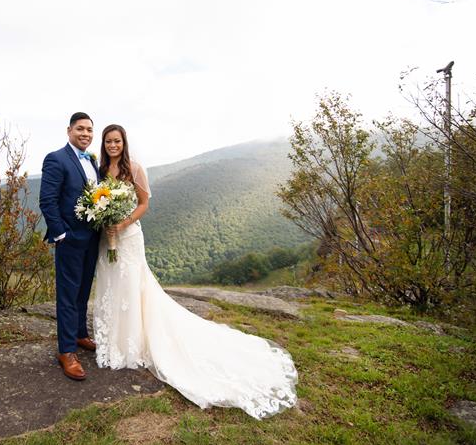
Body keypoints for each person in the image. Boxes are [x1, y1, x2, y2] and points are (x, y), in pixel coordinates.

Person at [93, 124, 298, 419]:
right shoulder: (101, 171)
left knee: (132, 286)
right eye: (109, 141)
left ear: (124, 143)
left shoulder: (134, 169)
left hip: (128, 236)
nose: (113, 145)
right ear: (104, 144)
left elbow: (144, 203)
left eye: (117, 141)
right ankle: (113, 339)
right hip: (106, 239)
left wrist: (122, 224)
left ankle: (133, 343)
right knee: (113, 285)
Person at [39, 112, 100, 381]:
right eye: (80, 129)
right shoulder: (56, 158)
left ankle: (79, 334)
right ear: (69, 130)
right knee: (67, 294)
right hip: (70, 239)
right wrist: (61, 234)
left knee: (84, 289)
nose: (85, 134)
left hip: (93, 237)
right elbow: (47, 201)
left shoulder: (93, 161)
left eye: (89, 130)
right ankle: (66, 351)